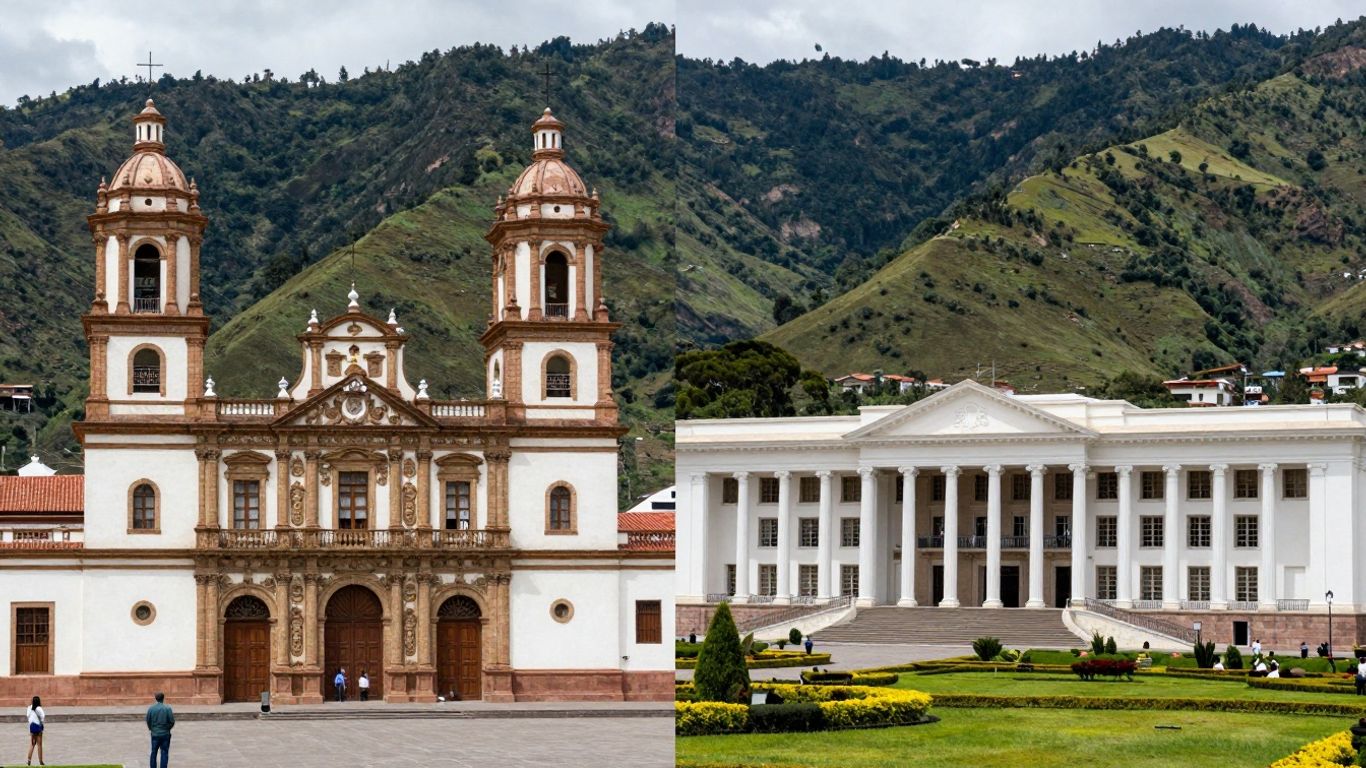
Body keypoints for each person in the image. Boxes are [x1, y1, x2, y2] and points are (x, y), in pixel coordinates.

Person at [146, 692, 175, 768]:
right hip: (165, 734)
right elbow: (172, 721)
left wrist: (151, 729)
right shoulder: (167, 708)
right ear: (163, 698)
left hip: (155, 734)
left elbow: (148, 720)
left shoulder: (151, 709)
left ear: (156, 698)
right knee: (164, 752)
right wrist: (167, 728)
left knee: (153, 752)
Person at [26, 695, 45, 767]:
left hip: (32, 727)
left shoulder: (29, 707)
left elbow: (27, 715)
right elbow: (43, 716)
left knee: (32, 744)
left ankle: (28, 761)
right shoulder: (39, 708)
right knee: (39, 745)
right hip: (38, 726)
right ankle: (41, 762)